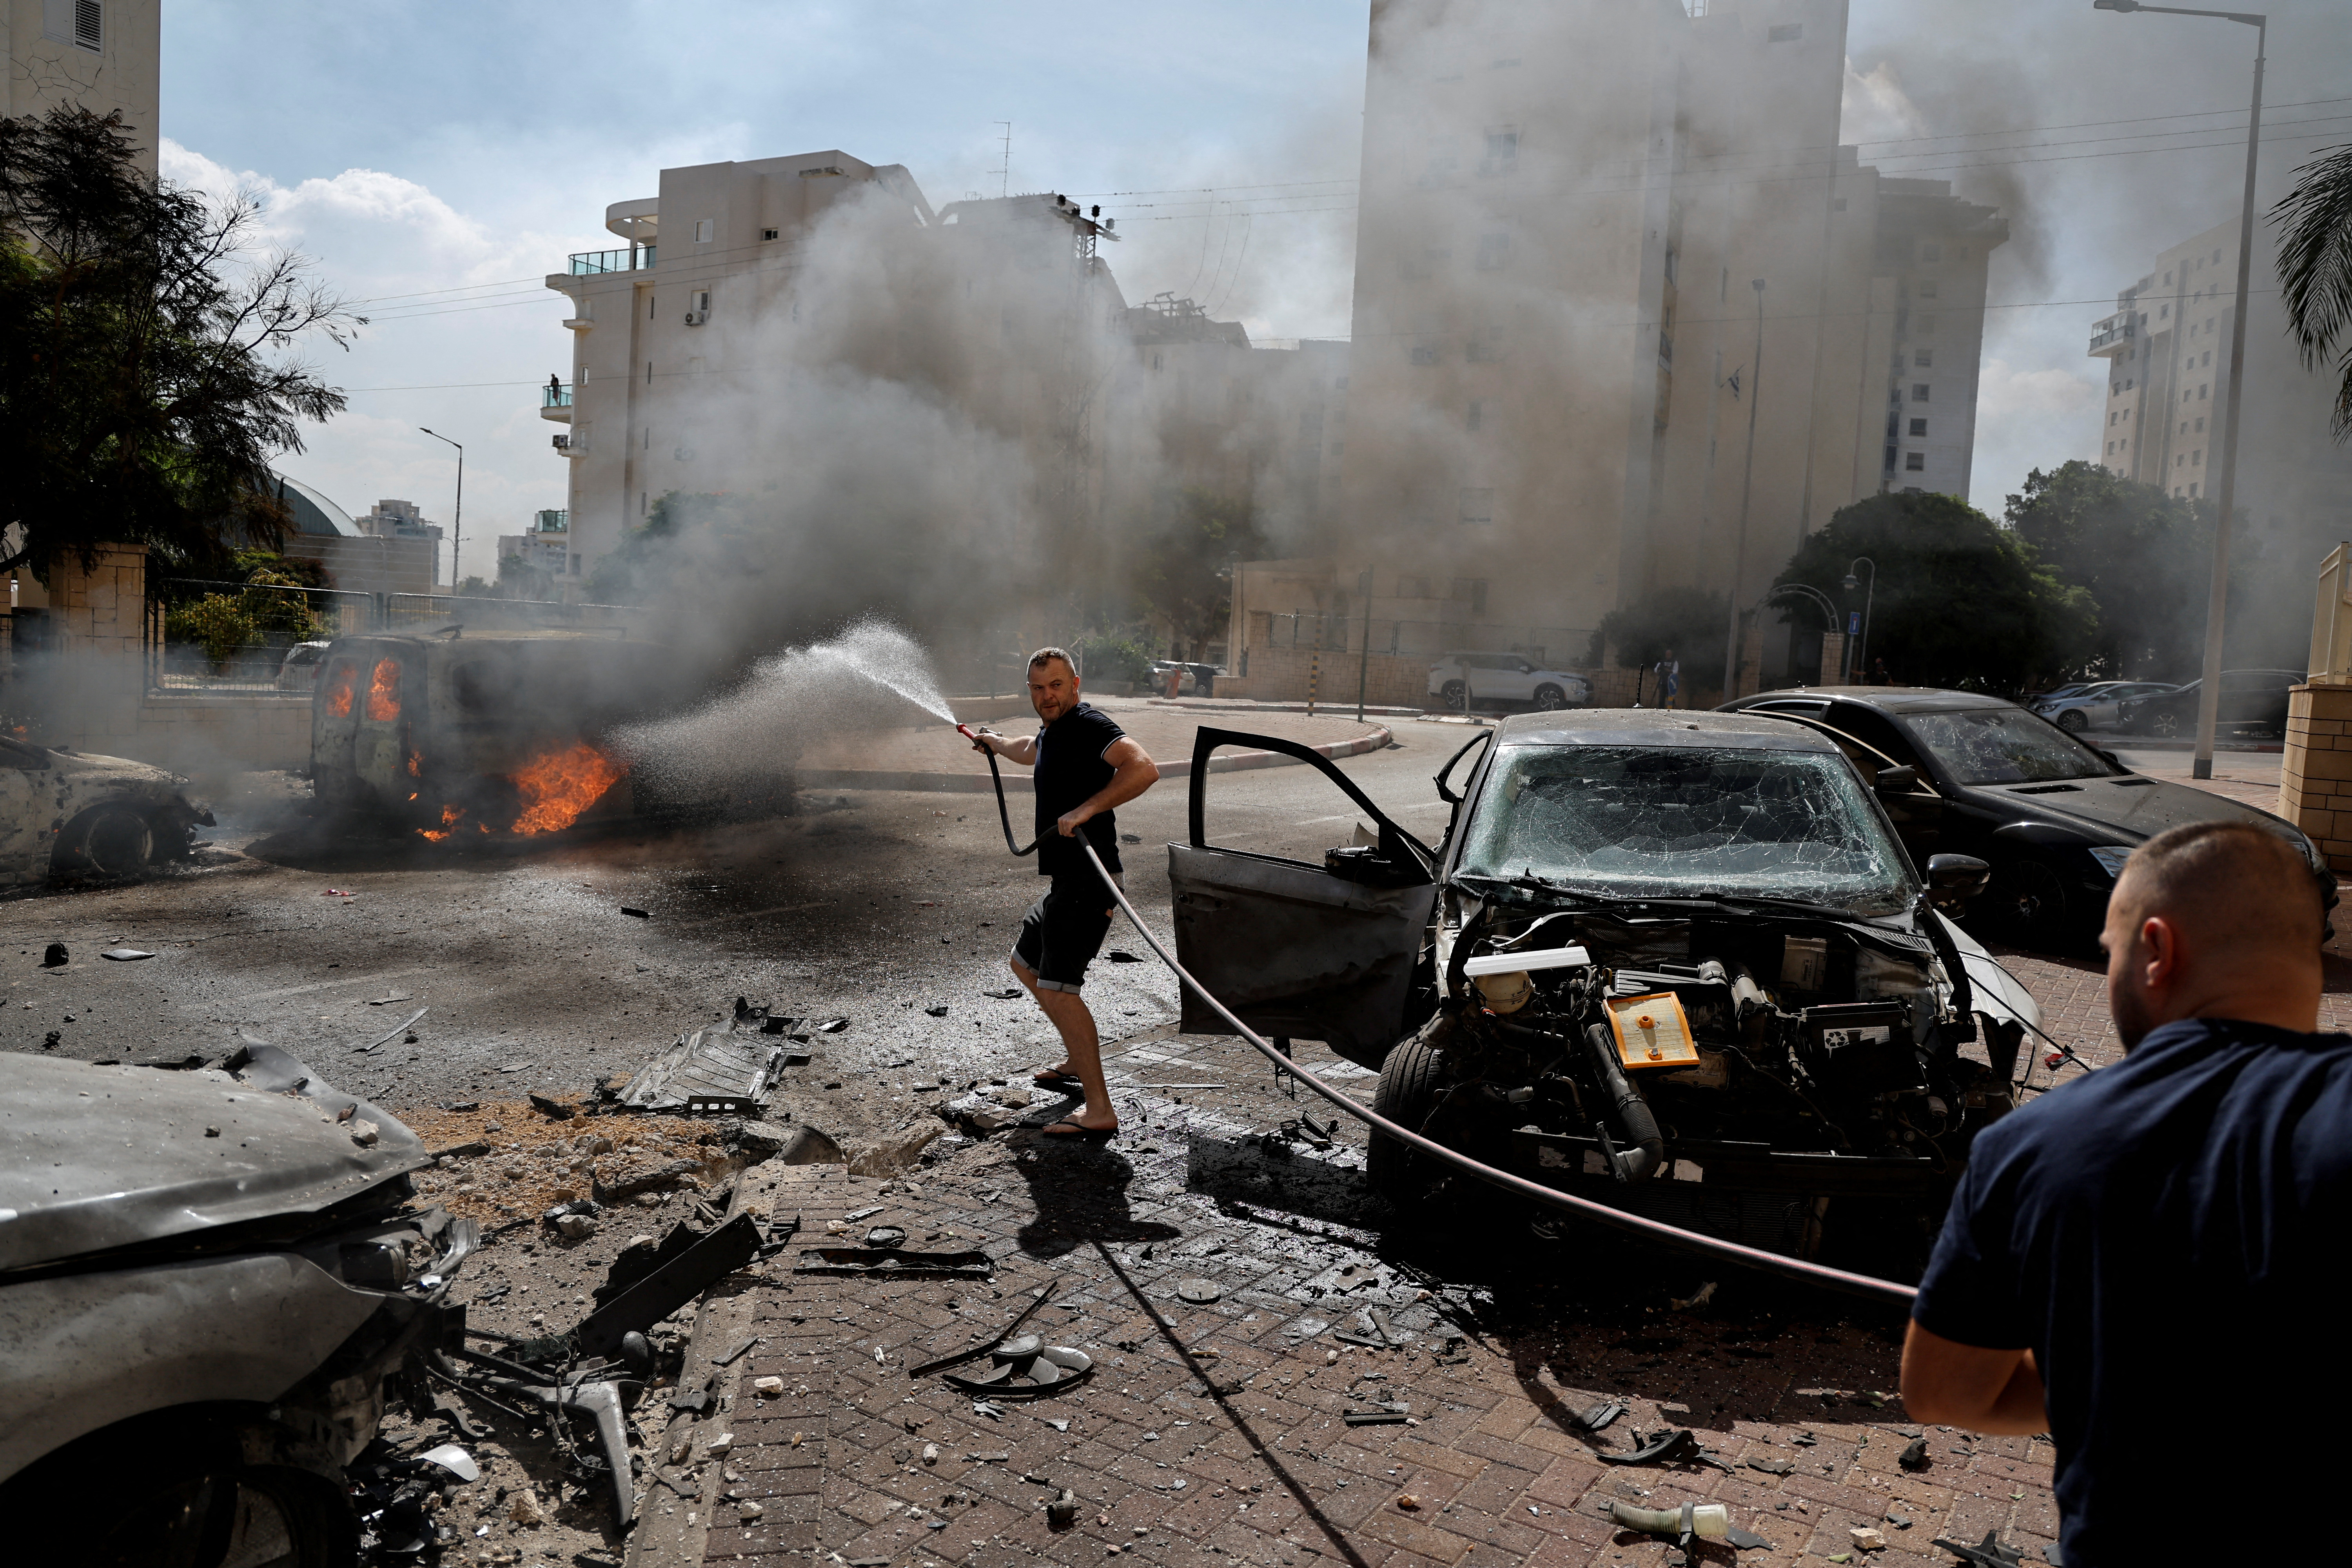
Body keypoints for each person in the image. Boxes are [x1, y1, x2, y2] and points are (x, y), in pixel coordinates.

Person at [1902, 821, 2348, 1564]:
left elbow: (1945, 1393)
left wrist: (2119, 1349)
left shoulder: (2031, 1145)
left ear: (2157, 949)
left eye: (2110, 954)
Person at [967, 648, 1160, 1138]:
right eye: (1037, 688)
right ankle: (1077, 1058)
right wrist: (992, 741)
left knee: (1059, 989)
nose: (1046, 696)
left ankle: (1099, 1110)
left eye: (1055, 685)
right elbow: (1029, 748)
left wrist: (1088, 809)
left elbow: (1143, 768)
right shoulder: (1055, 729)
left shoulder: (1090, 724)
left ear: (1075, 683)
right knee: (1024, 964)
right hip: (1065, 883)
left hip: (1090, 882)